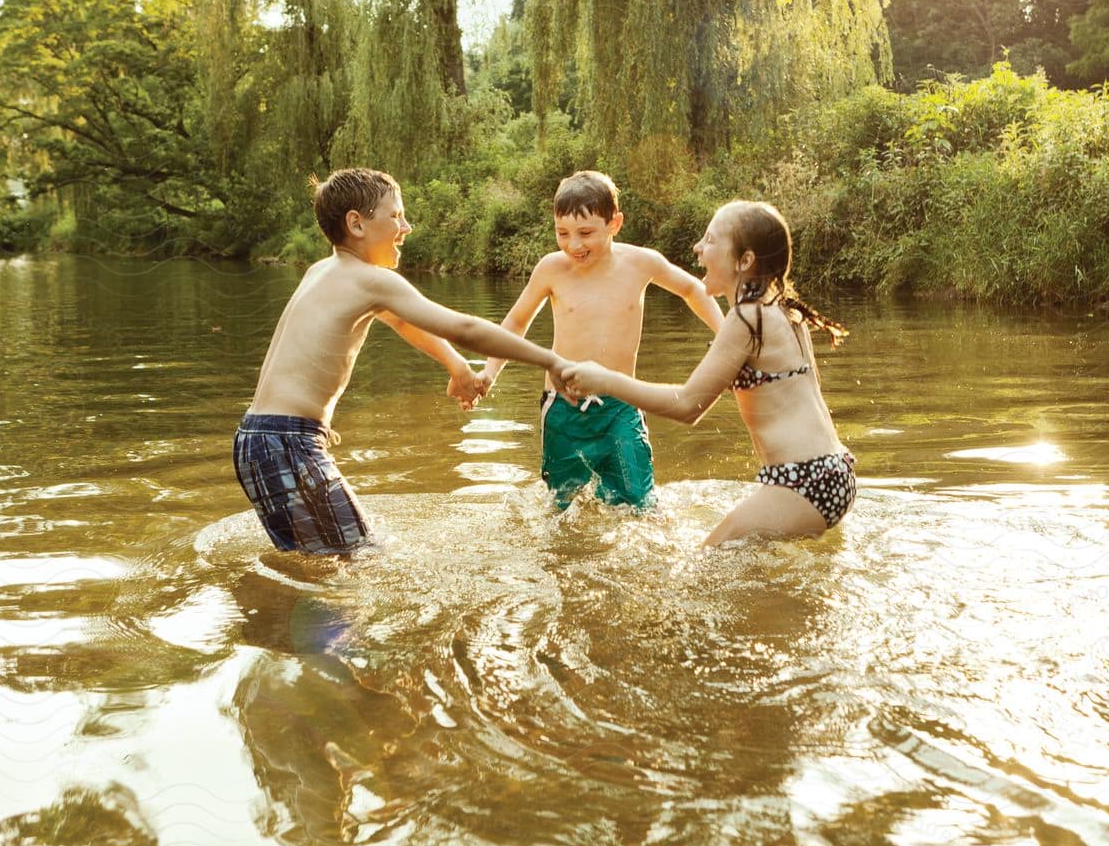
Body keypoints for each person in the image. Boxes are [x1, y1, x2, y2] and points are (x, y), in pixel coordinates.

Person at [235, 168, 576, 555]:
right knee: (360, 561)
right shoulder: (371, 280)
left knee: (316, 563)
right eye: (396, 215)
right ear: (356, 223)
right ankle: (325, 617)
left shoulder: (323, 271)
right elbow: (463, 326)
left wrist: (455, 365)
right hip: (287, 443)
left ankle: (274, 614)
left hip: (257, 439)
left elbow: (399, 319)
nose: (407, 227)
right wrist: (550, 360)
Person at [560, 200, 854, 545]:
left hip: (804, 484)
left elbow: (688, 406)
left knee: (702, 567)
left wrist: (605, 380)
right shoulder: (784, 312)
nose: (698, 248)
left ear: (744, 261)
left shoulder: (747, 318)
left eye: (711, 240)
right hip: (833, 473)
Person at [480, 171, 724, 509]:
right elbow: (516, 322)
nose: (573, 245)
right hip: (563, 409)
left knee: (639, 502)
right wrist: (489, 373)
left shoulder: (641, 263)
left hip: (620, 406)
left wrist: (726, 337)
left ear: (615, 223)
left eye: (585, 233)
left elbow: (692, 289)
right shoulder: (551, 269)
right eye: (562, 233)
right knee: (562, 503)